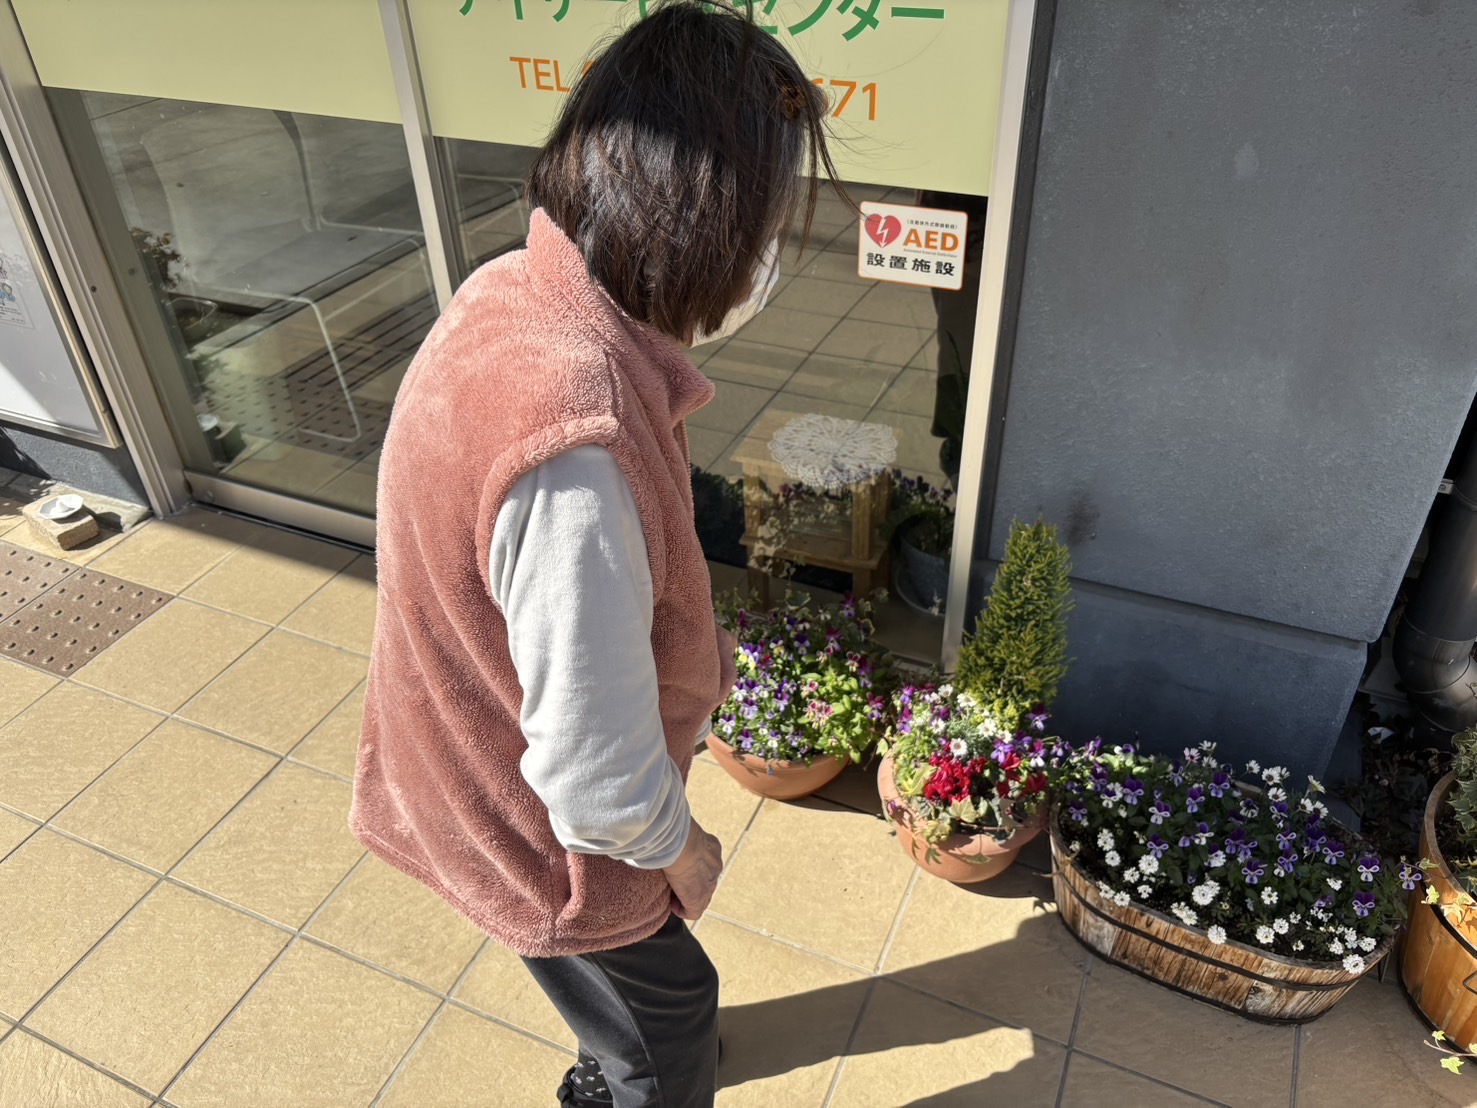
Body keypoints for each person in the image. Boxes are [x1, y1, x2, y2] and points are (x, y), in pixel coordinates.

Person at [348, 4, 842, 1105]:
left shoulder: (508, 293)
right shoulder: (576, 442)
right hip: (539, 835)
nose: (771, 260)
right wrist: (682, 847)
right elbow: (594, 778)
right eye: (766, 228)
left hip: (458, 756)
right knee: (667, 1024)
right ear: (707, 225)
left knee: (623, 1005)